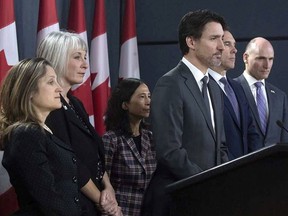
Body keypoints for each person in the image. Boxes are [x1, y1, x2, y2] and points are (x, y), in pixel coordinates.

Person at [141, 9, 229, 216]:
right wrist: (205, 183)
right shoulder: (170, 83)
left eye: (222, 39)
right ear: (191, 42)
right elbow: (169, 151)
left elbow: (221, 146)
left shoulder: (215, 88)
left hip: (208, 199)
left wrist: (225, 181)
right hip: (178, 199)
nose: (221, 46)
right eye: (214, 38)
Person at [37, 31, 122, 216]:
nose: (85, 64)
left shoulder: (75, 103)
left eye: (85, 57)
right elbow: (69, 163)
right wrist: (103, 201)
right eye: (77, 57)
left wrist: (108, 188)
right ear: (56, 58)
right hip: (75, 205)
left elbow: (95, 155)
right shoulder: (50, 106)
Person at [0, 58, 80, 215]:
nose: (59, 88)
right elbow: (48, 200)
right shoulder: (26, 135)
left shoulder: (41, 131)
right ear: (28, 91)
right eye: (51, 82)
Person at [102, 78, 157, 216]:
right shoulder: (111, 139)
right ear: (125, 104)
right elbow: (102, 181)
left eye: (149, 96)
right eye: (142, 96)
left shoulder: (150, 137)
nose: (148, 101)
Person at [208, 30, 261, 159]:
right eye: (227, 44)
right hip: (222, 171)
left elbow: (251, 131)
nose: (234, 50)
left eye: (234, 45)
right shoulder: (204, 86)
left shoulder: (238, 87)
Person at [235, 37, 288, 147]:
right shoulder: (231, 89)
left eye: (271, 59)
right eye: (261, 58)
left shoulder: (280, 97)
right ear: (246, 57)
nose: (267, 65)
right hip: (243, 163)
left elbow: (284, 140)